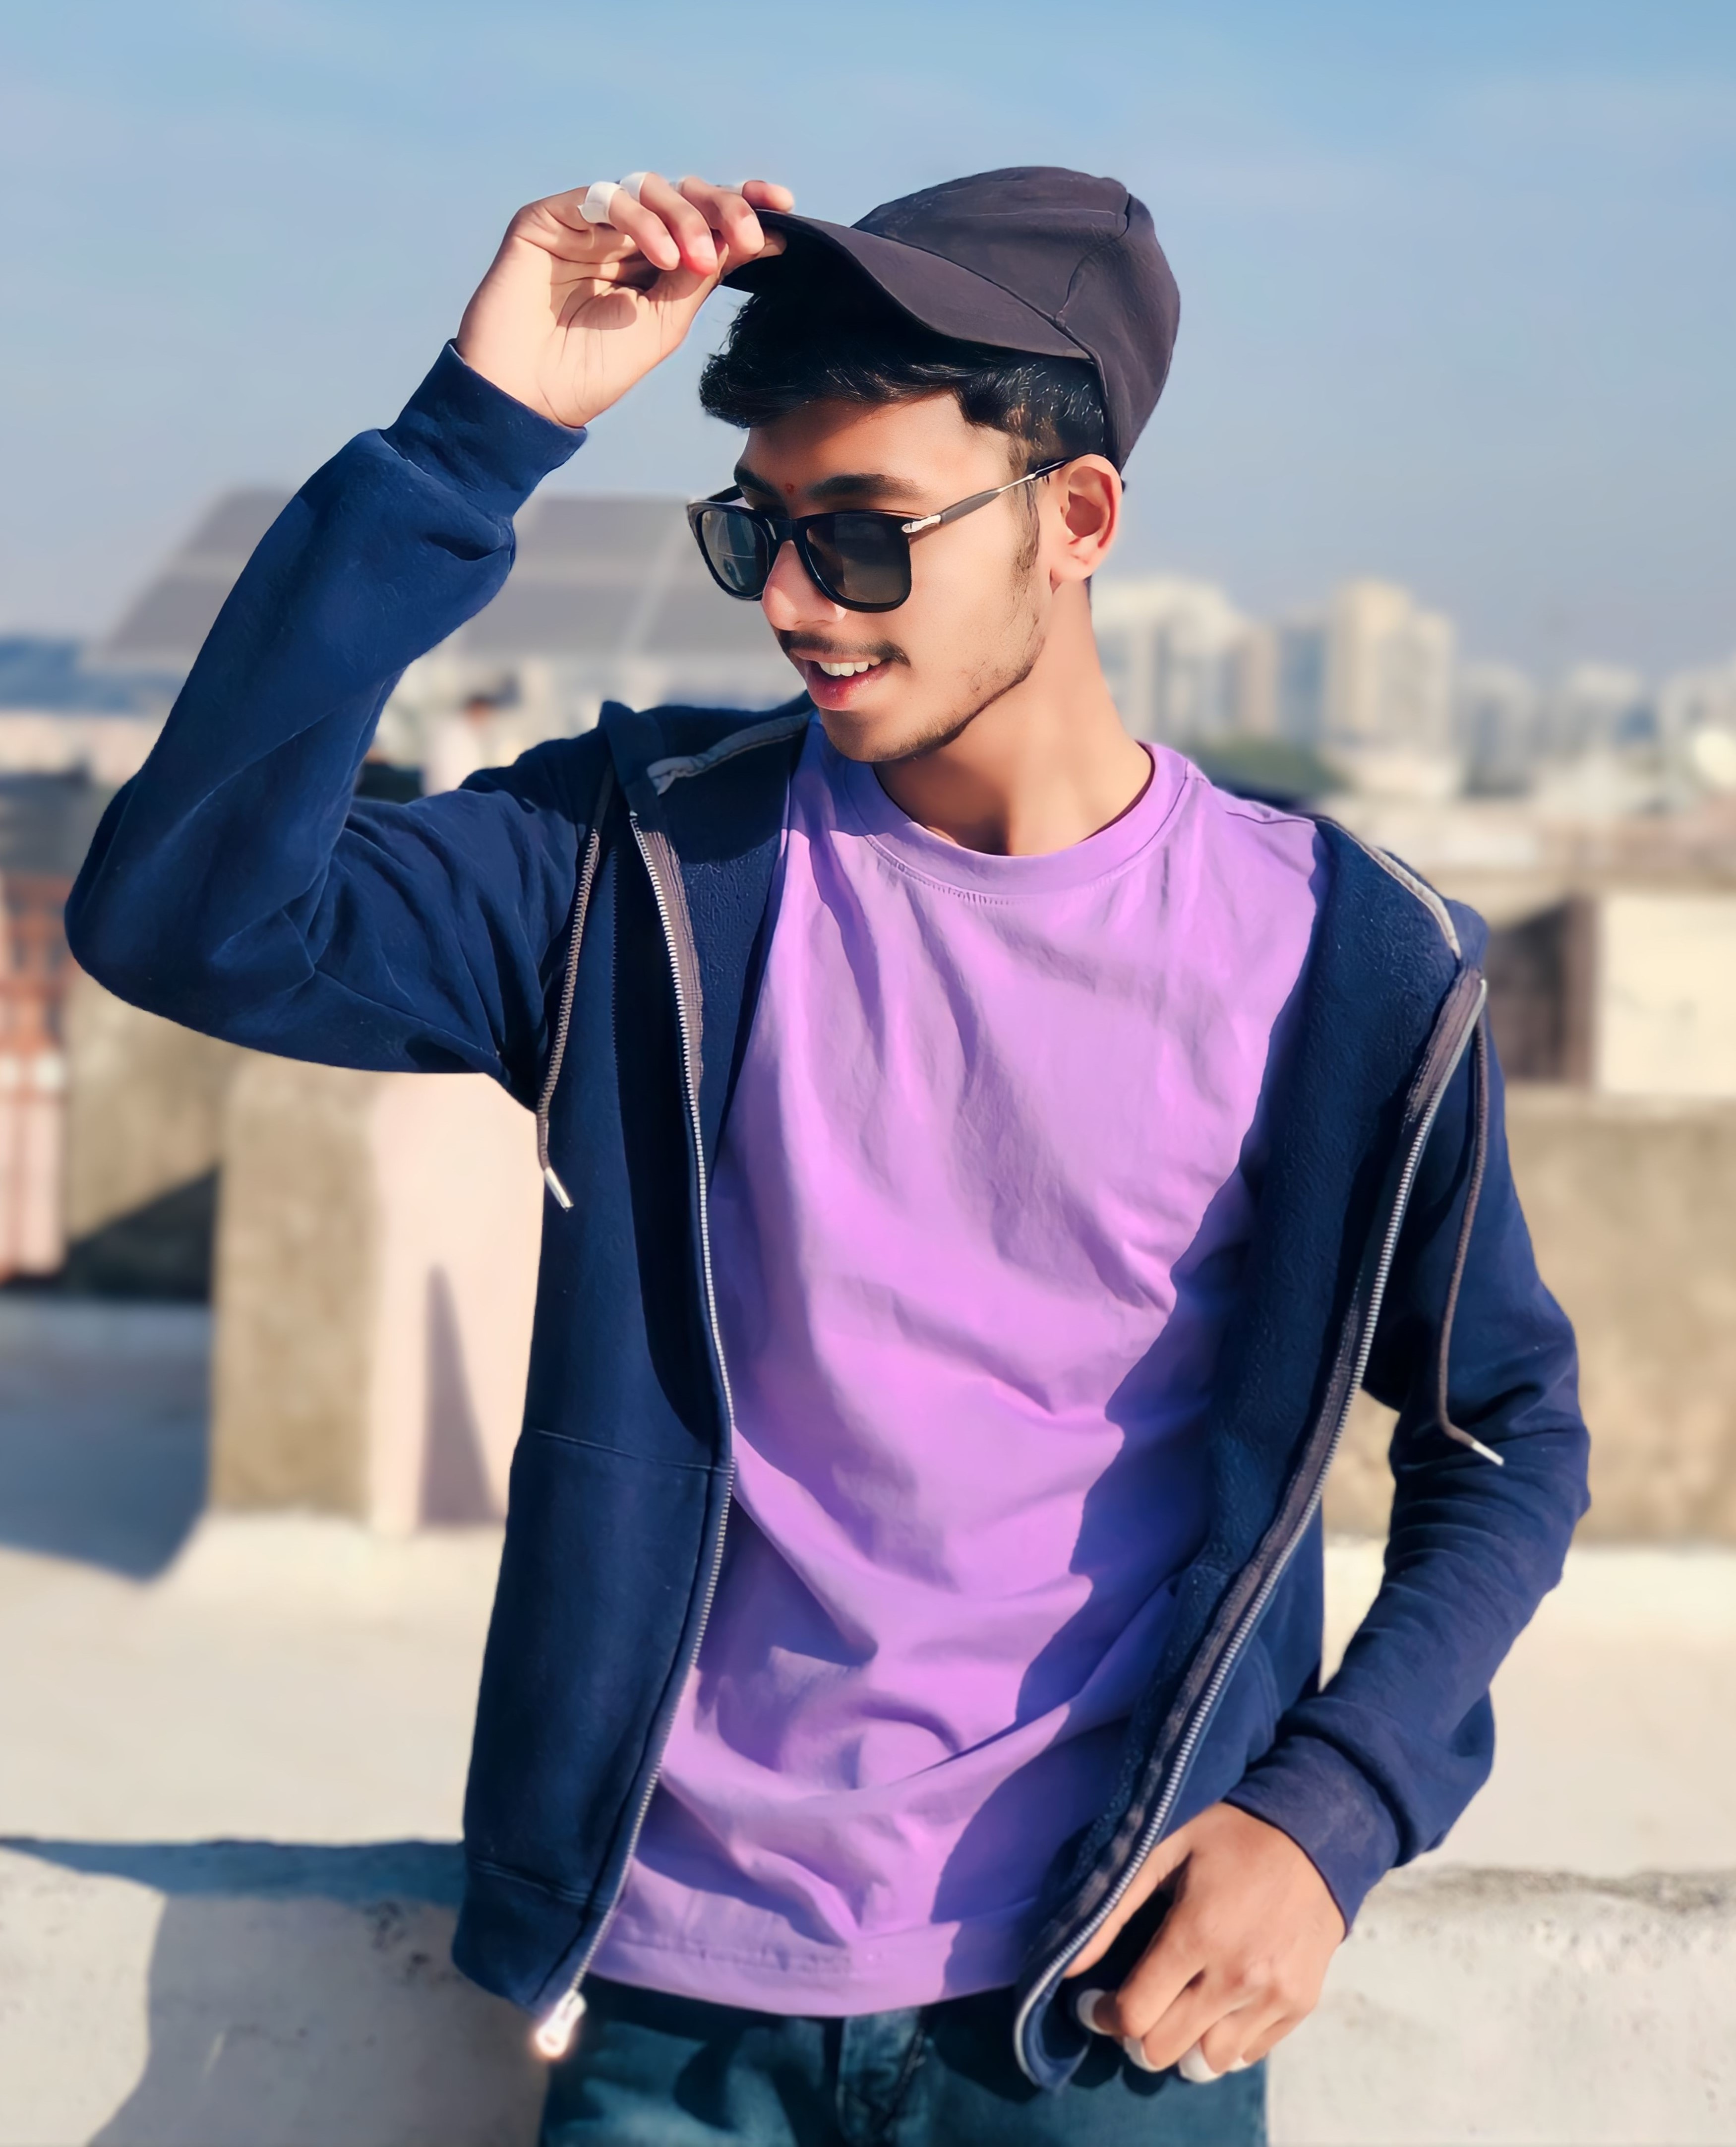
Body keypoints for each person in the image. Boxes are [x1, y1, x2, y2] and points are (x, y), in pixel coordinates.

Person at [67, 166, 1589, 2146]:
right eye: (756, 534)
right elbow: (187, 917)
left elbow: (1504, 1434)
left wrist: (1332, 1810)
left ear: (1079, 519)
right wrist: (474, 431)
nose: (794, 602)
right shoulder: (648, 862)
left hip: (1095, 2024)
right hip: (674, 2020)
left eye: (865, 537)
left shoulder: (1344, 960)